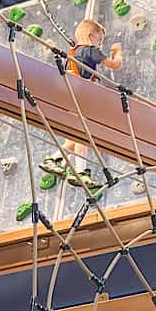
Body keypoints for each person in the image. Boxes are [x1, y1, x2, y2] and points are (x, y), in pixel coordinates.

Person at [40, 18, 123, 191]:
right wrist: (117, 51)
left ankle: (55, 159)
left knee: (74, 137)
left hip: (71, 96)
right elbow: (114, 65)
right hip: (82, 98)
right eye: (99, 39)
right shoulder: (90, 51)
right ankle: (80, 171)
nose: (99, 44)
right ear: (90, 36)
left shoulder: (72, 54)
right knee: (82, 136)